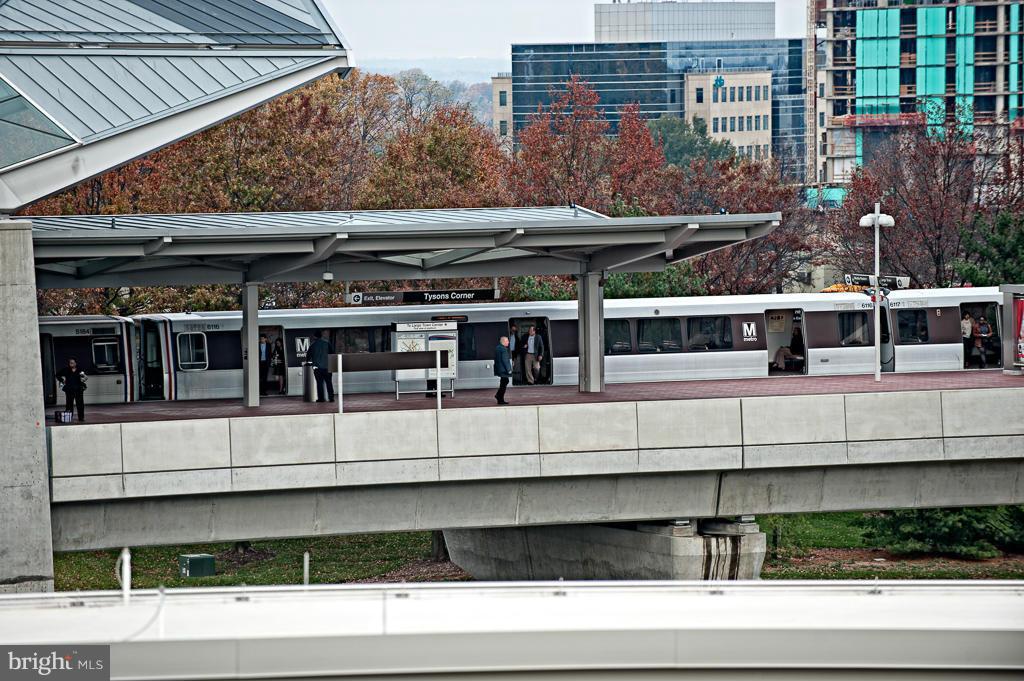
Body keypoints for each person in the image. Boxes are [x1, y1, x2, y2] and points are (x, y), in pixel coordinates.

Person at [56, 358, 87, 422]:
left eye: (72, 363)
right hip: (69, 389)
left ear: (75, 363)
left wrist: (84, 379)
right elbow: (57, 374)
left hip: (79, 389)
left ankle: (81, 418)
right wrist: (62, 380)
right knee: (69, 404)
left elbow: (84, 377)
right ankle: (69, 417)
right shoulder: (66, 369)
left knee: (80, 404)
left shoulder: (79, 370)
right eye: (70, 363)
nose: (71, 364)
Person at [309, 330, 335, 402]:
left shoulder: (312, 345)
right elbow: (332, 354)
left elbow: (308, 356)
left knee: (319, 383)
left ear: (314, 336)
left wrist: (312, 363)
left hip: (317, 368)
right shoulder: (327, 343)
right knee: (329, 382)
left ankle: (321, 398)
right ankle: (331, 398)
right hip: (327, 367)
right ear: (321, 336)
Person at [494, 336, 512, 405]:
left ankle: (499, 398)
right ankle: (499, 396)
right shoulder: (504, 349)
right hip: (503, 369)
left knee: (503, 382)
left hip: (499, 368)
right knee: (504, 382)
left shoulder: (498, 348)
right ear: (503, 342)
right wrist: (509, 369)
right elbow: (505, 360)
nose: (508, 342)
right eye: (507, 341)